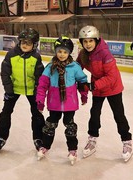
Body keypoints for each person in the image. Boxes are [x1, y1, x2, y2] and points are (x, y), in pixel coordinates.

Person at [76, 26, 133, 162]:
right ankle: (92, 139)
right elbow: (76, 68)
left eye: (90, 41)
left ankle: (127, 141)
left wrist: (93, 85)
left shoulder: (105, 53)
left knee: (119, 115)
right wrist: (75, 81)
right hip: (98, 88)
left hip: (113, 88)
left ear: (96, 40)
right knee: (94, 113)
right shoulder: (83, 54)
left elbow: (111, 76)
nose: (88, 44)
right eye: (85, 41)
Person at [36, 36, 88, 165]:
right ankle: (45, 146)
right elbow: (42, 85)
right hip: (54, 104)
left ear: (69, 52)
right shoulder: (49, 67)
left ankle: (72, 149)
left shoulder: (75, 67)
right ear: (55, 51)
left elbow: (82, 81)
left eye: (65, 52)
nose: (62, 54)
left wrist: (84, 94)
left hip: (70, 104)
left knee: (70, 126)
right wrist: (40, 101)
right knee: (50, 125)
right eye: (59, 51)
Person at [0, 28, 45, 153]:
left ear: (34, 44)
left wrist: (38, 92)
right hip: (14, 89)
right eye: (23, 42)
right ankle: (1, 137)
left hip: (31, 90)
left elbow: (40, 76)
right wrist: (9, 90)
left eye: (28, 43)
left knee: (37, 114)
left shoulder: (36, 57)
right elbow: (5, 73)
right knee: (6, 112)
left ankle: (39, 138)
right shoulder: (11, 55)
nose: (25, 45)